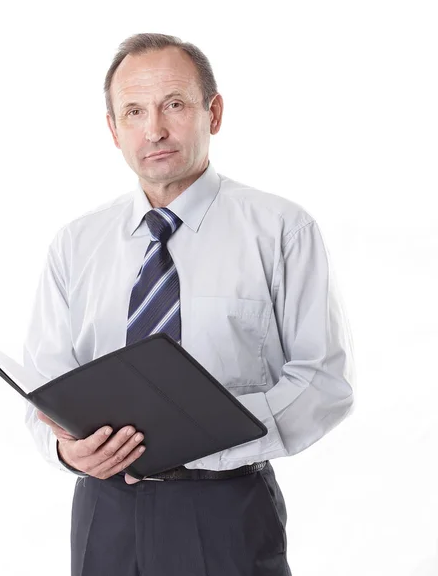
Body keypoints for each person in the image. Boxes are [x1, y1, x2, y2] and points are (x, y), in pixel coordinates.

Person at [22, 32, 356, 576]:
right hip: (104, 514)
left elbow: (324, 382)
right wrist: (64, 452)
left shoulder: (281, 230)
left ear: (213, 112)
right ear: (113, 129)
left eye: (174, 105)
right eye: (133, 111)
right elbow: (45, 383)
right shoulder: (75, 243)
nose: (154, 129)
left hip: (226, 508)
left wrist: (207, 439)